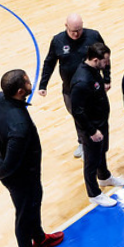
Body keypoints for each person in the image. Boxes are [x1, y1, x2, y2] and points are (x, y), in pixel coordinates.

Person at [0, 69, 64, 247]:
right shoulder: (19, 125)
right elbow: (10, 164)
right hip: (20, 176)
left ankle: (40, 238)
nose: (31, 82)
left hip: (20, 172)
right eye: (27, 82)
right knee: (25, 213)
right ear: (20, 91)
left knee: (33, 205)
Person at [38, 14, 110, 159]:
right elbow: (49, 62)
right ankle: (83, 142)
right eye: (72, 31)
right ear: (66, 26)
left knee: (95, 115)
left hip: (93, 88)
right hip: (70, 89)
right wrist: (43, 84)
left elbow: (105, 58)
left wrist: (107, 78)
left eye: (79, 30)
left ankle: (96, 143)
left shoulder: (93, 36)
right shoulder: (58, 40)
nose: (76, 34)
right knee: (78, 116)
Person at [70, 42, 124, 207]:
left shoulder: (94, 70)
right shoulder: (81, 81)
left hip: (101, 122)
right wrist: (92, 131)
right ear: (95, 59)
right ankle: (94, 193)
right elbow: (77, 111)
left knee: (102, 151)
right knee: (91, 161)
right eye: (105, 60)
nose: (107, 63)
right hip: (91, 127)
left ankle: (104, 177)